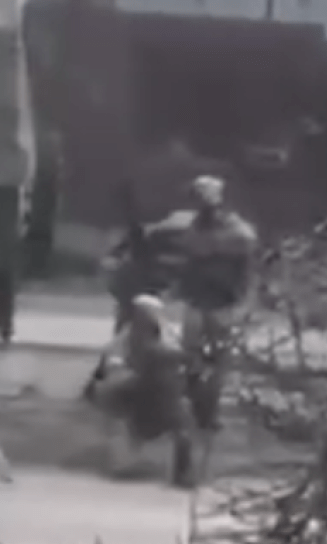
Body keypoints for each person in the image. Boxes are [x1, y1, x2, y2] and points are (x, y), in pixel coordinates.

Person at [146, 175, 258, 437]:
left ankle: (208, 412)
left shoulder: (235, 230)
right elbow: (188, 256)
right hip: (199, 300)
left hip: (222, 302)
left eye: (203, 199)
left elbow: (243, 256)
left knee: (216, 361)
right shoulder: (196, 227)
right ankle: (195, 408)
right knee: (192, 357)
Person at [87, 294, 197, 488]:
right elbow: (115, 369)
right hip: (126, 389)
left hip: (154, 390)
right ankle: (124, 462)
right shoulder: (129, 337)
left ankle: (180, 469)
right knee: (125, 411)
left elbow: (167, 356)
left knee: (180, 415)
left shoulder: (163, 333)